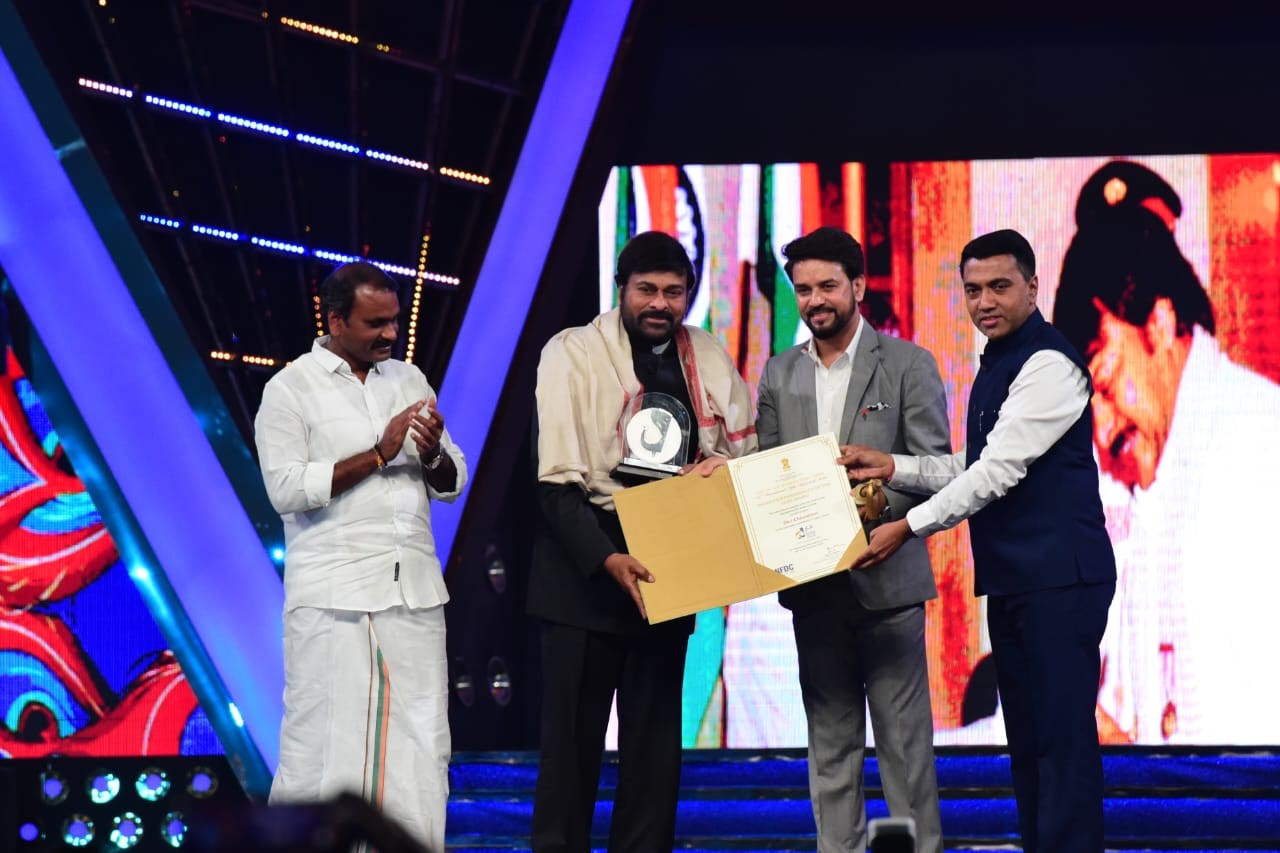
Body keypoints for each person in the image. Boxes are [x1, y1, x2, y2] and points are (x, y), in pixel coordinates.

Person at [841, 229, 1116, 853]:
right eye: (973, 290)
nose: (985, 301)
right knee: (1030, 743)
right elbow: (977, 460)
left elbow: (996, 472)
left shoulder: (1049, 363)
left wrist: (908, 526)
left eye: (999, 286)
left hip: (1061, 582)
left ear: (1032, 287)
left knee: (1061, 746)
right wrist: (894, 466)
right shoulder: (1000, 359)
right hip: (1019, 581)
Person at [530, 230, 757, 852]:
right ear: (621, 288)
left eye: (674, 292)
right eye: (647, 290)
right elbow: (553, 483)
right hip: (584, 569)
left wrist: (720, 471)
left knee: (655, 758)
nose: (660, 303)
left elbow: (741, 454)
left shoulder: (706, 355)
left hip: (668, 568)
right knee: (569, 757)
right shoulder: (572, 352)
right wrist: (606, 558)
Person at [1053, 159, 1280, 744]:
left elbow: (1248, 753)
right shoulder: (1158, 480)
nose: (1102, 430)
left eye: (1105, 385)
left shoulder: (1256, 450)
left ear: (1159, 322)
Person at [254, 261, 466, 851]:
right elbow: (286, 489)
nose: (390, 334)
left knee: (423, 746)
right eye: (376, 323)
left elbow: (451, 481)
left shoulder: (410, 379)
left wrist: (431, 454)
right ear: (335, 321)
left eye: (394, 321)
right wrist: (378, 453)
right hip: (333, 598)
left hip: (414, 593)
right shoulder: (290, 391)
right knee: (321, 749)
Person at [755, 227, 948, 853]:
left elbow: (935, 468)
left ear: (858, 287)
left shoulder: (909, 364)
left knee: (906, 755)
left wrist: (868, 510)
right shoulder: (779, 372)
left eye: (828, 286)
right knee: (830, 753)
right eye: (803, 288)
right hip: (814, 589)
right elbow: (768, 472)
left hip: (888, 584)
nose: (815, 300)